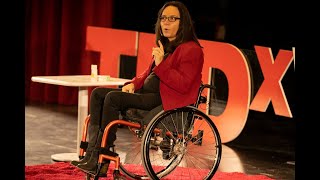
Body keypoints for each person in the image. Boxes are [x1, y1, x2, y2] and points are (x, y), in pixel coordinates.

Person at [71, 0, 204, 176]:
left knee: (112, 98)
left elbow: (183, 84)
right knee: (98, 94)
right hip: (147, 94)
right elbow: (148, 74)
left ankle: (103, 156)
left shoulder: (191, 49)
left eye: (172, 18)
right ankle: (92, 154)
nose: (166, 22)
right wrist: (133, 84)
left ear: (183, 22)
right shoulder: (166, 46)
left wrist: (162, 63)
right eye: (163, 18)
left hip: (164, 100)